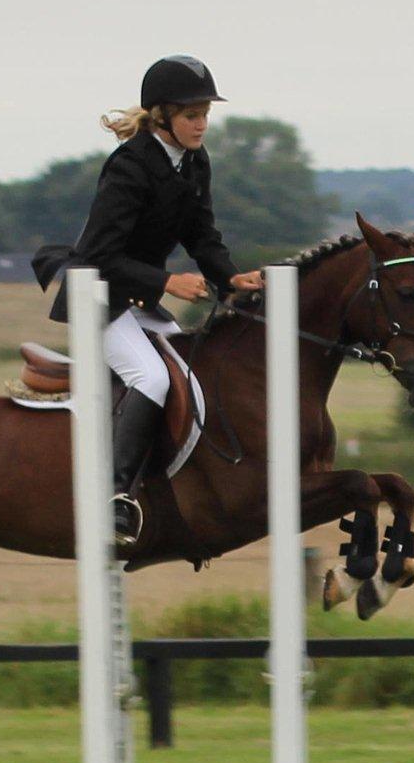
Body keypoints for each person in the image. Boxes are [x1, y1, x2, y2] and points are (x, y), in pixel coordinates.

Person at [32, 55, 264, 546]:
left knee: (191, 369)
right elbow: (98, 255)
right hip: (99, 298)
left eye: (205, 114)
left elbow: (203, 236)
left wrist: (230, 278)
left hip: (136, 298)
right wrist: (165, 283)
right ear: (162, 117)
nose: (202, 124)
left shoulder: (195, 161)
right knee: (153, 377)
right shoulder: (130, 165)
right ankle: (117, 497)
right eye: (191, 115)